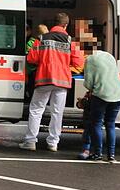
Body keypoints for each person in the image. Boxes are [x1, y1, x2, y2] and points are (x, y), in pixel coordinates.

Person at [20, 12, 85, 152]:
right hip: (62, 81)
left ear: (53, 23)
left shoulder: (41, 38)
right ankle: (53, 143)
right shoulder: (70, 41)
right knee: (57, 112)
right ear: (65, 25)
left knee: (36, 110)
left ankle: (30, 141)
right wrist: (67, 68)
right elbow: (79, 62)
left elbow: (31, 58)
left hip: (43, 79)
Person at [79, 44, 120, 162]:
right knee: (110, 124)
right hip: (118, 93)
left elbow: (88, 83)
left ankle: (98, 154)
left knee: (97, 124)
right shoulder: (109, 56)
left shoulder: (90, 59)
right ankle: (111, 155)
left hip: (102, 95)